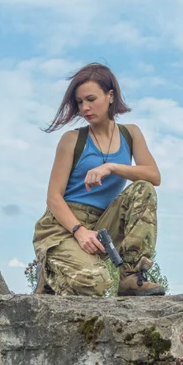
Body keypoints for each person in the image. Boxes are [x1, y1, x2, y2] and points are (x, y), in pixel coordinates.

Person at [32, 62, 165, 297]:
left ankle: (131, 277)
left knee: (143, 189)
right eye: (80, 102)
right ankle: (51, 274)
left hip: (104, 223)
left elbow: (154, 176)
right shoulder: (72, 140)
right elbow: (53, 198)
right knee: (97, 284)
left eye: (91, 99)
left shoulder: (130, 133)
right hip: (64, 226)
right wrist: (79, 231)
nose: (85, 107)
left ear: (110, 95)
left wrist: (112, 167)